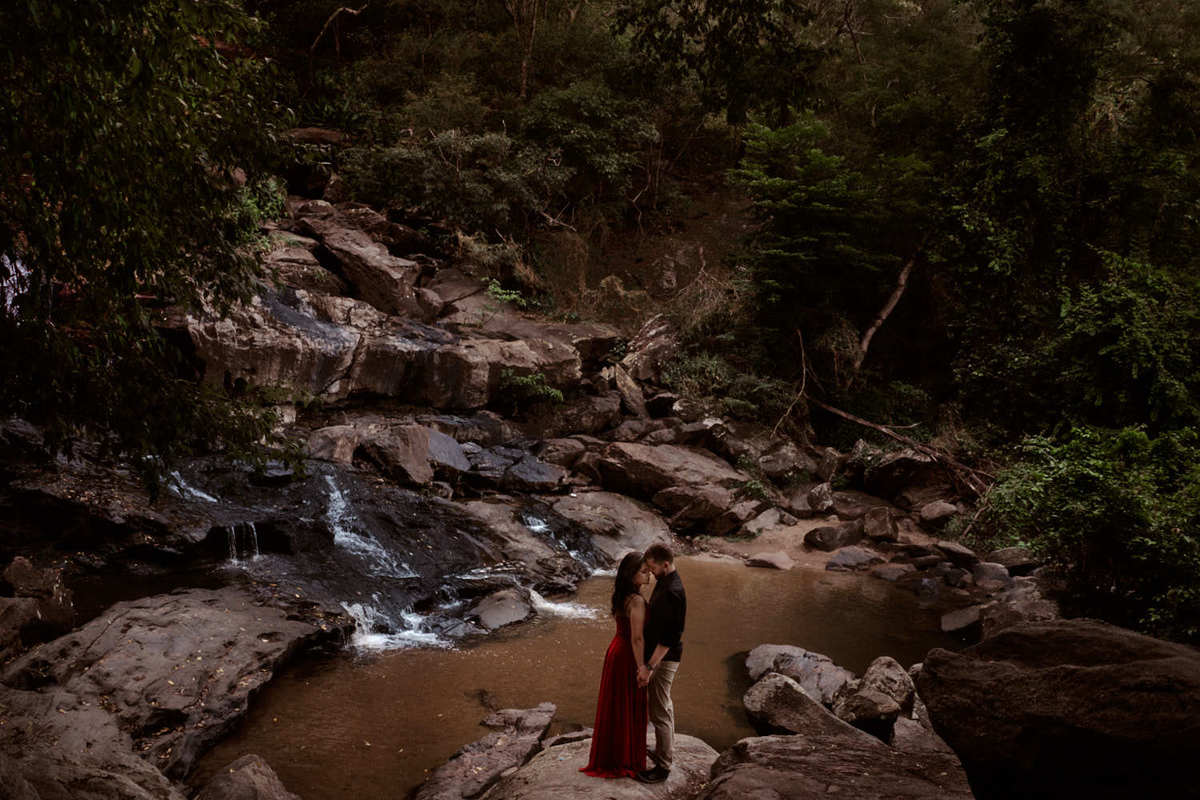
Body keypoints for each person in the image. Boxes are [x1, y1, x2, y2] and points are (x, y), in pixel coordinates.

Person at [580, 551, 652, 778]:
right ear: (631, 575)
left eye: (649, 570)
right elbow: (637, 638)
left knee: (616, 705)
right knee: (628, 703)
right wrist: (643, 667)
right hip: (628, 655)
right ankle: (626, 759)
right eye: (643, 571)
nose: (648, 574)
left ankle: (612, 756)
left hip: (615, 650)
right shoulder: (637, 600)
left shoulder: (622, 596)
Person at [636, 543, 686, 784]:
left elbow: (669, 638)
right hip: (663, 654)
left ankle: (663, 767)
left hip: (664, 657)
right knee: (664, 706)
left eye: (653, 567)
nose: (650, 571)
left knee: (659, 711)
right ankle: (664, 753)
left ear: (665, 564)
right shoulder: (665, 583)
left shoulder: (672, 591)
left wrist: (649, 667)